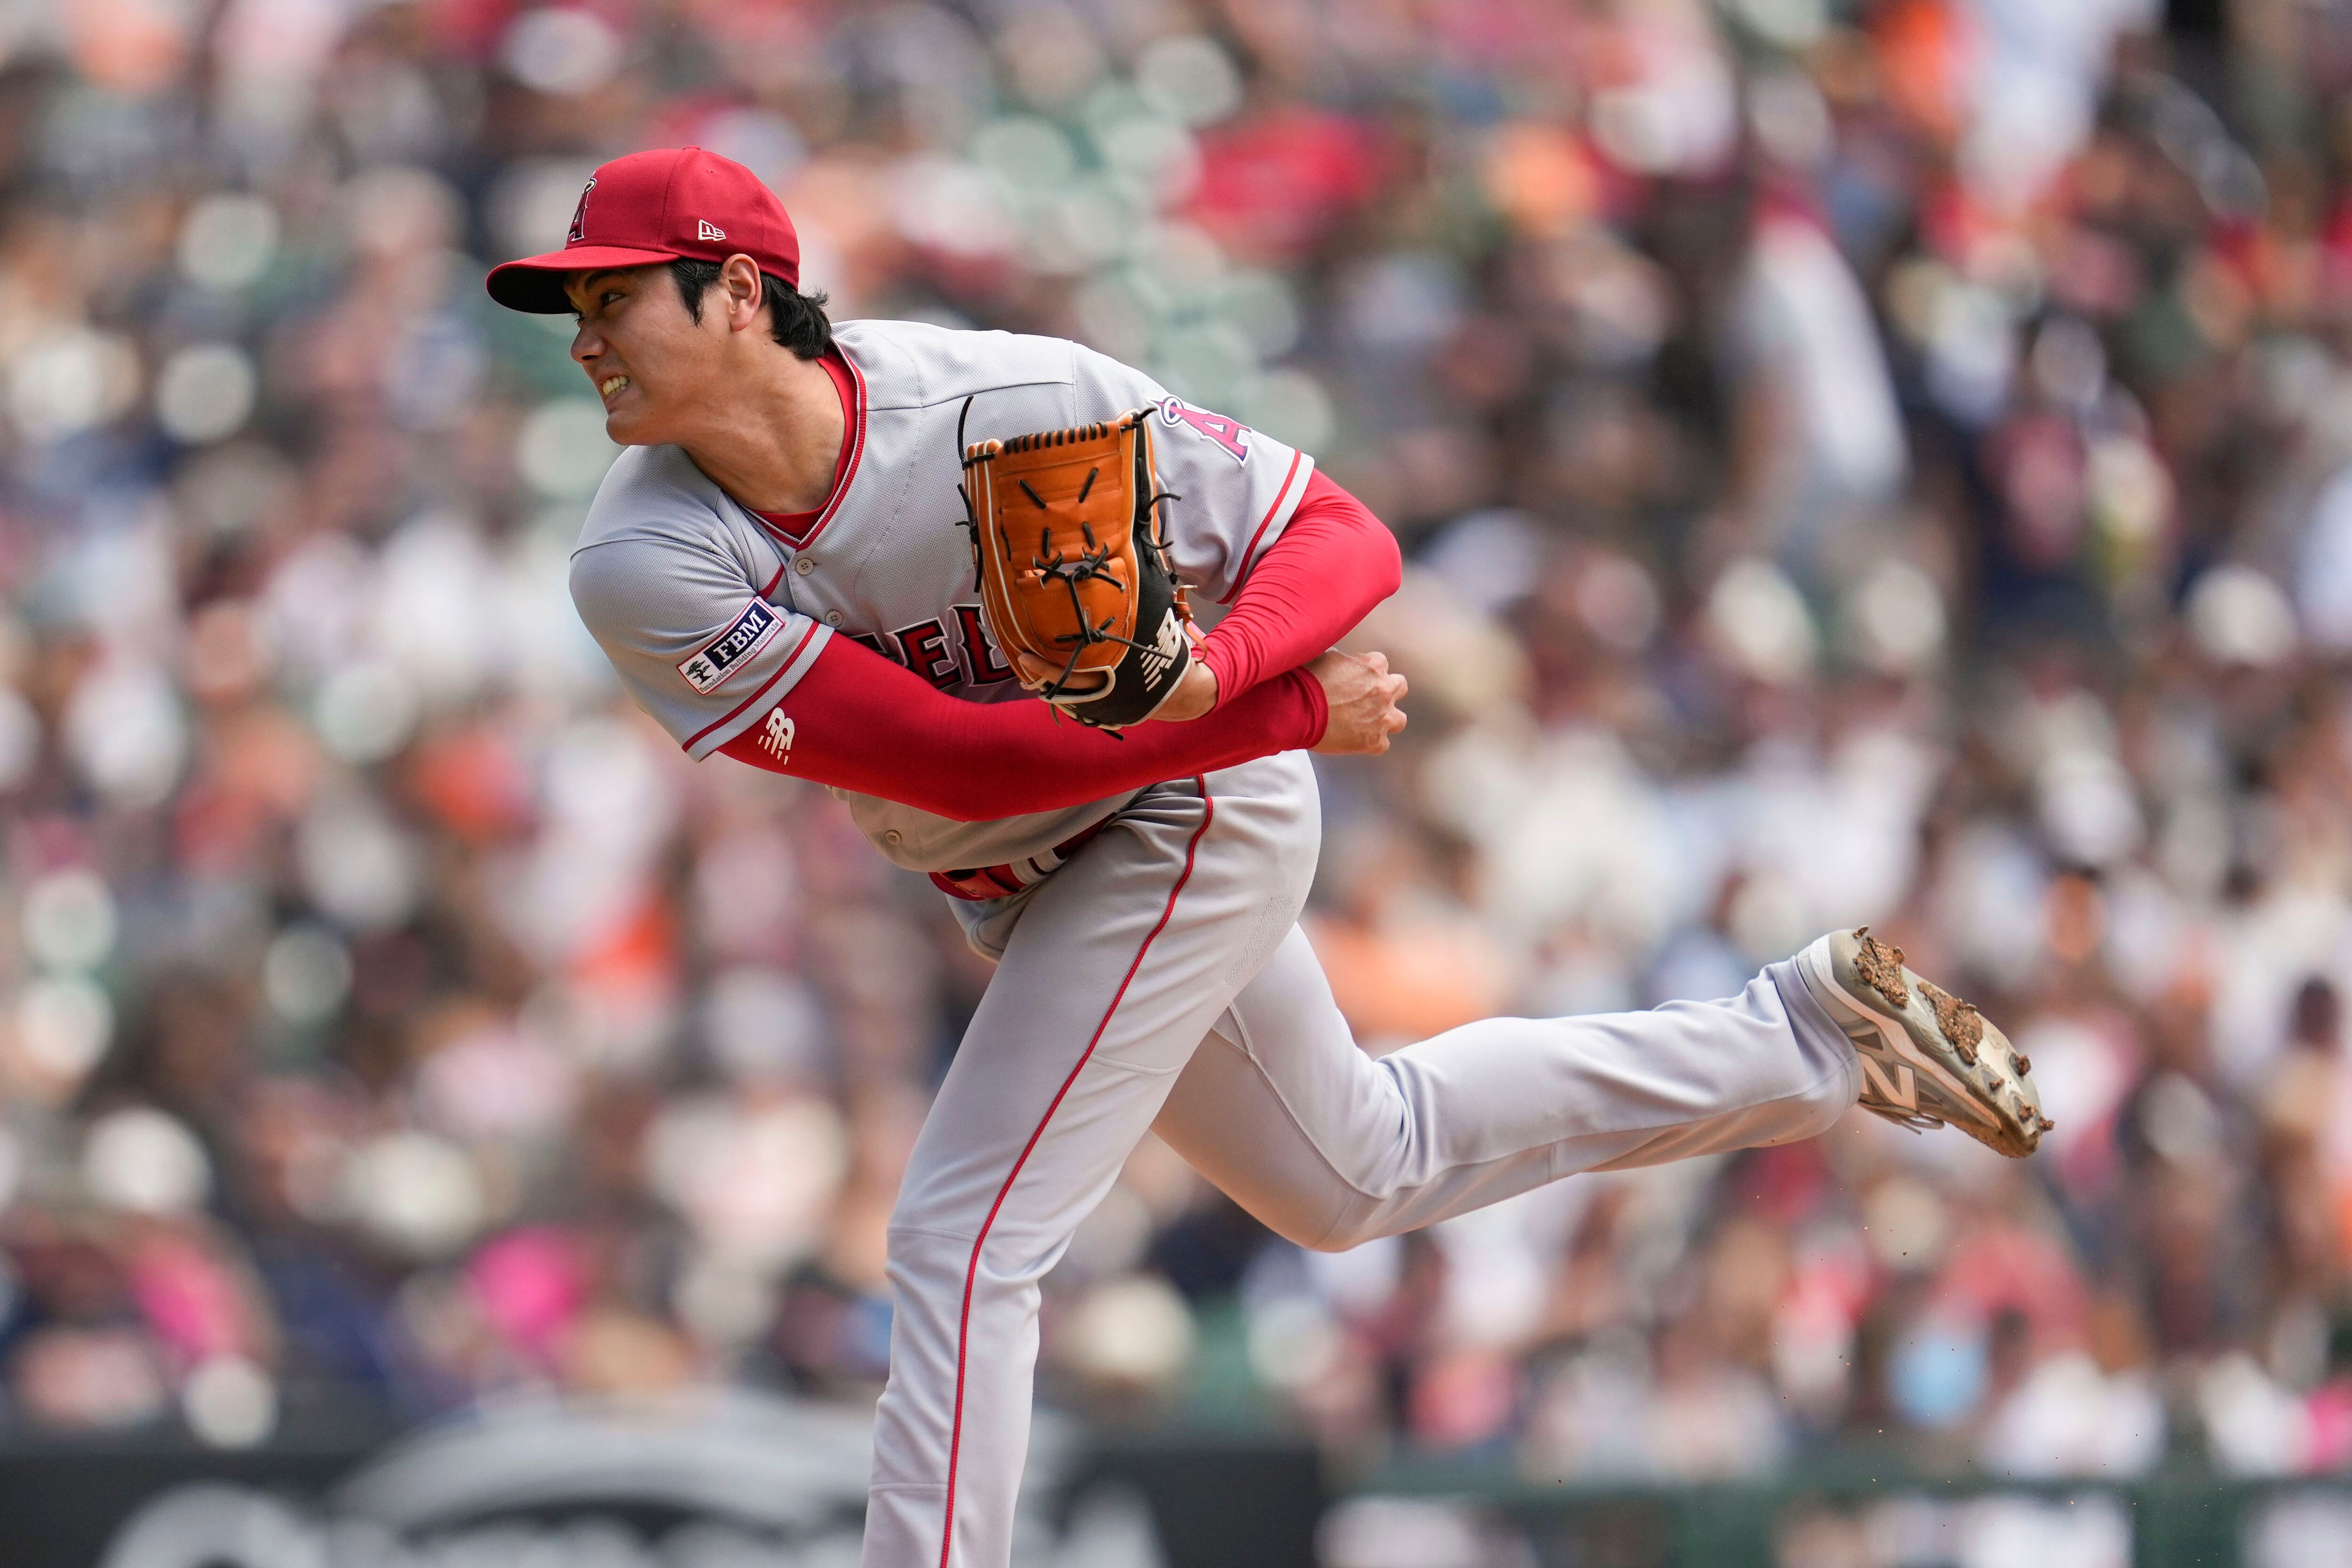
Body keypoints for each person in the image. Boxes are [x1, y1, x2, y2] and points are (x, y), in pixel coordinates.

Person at [486, 147, 2050, 1568]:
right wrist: (1283, 702)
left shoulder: (998, 402)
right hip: (1064, 846)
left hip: (1181, 821)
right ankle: (1800, 1038)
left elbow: (1341, 534)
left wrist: (1227, 683)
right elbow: (945, 758)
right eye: (573, 306)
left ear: (741, 290)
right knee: (1353, 1170)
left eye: (612, 297)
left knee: (961, 1237)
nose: (584, 336)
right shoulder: (642, 556)